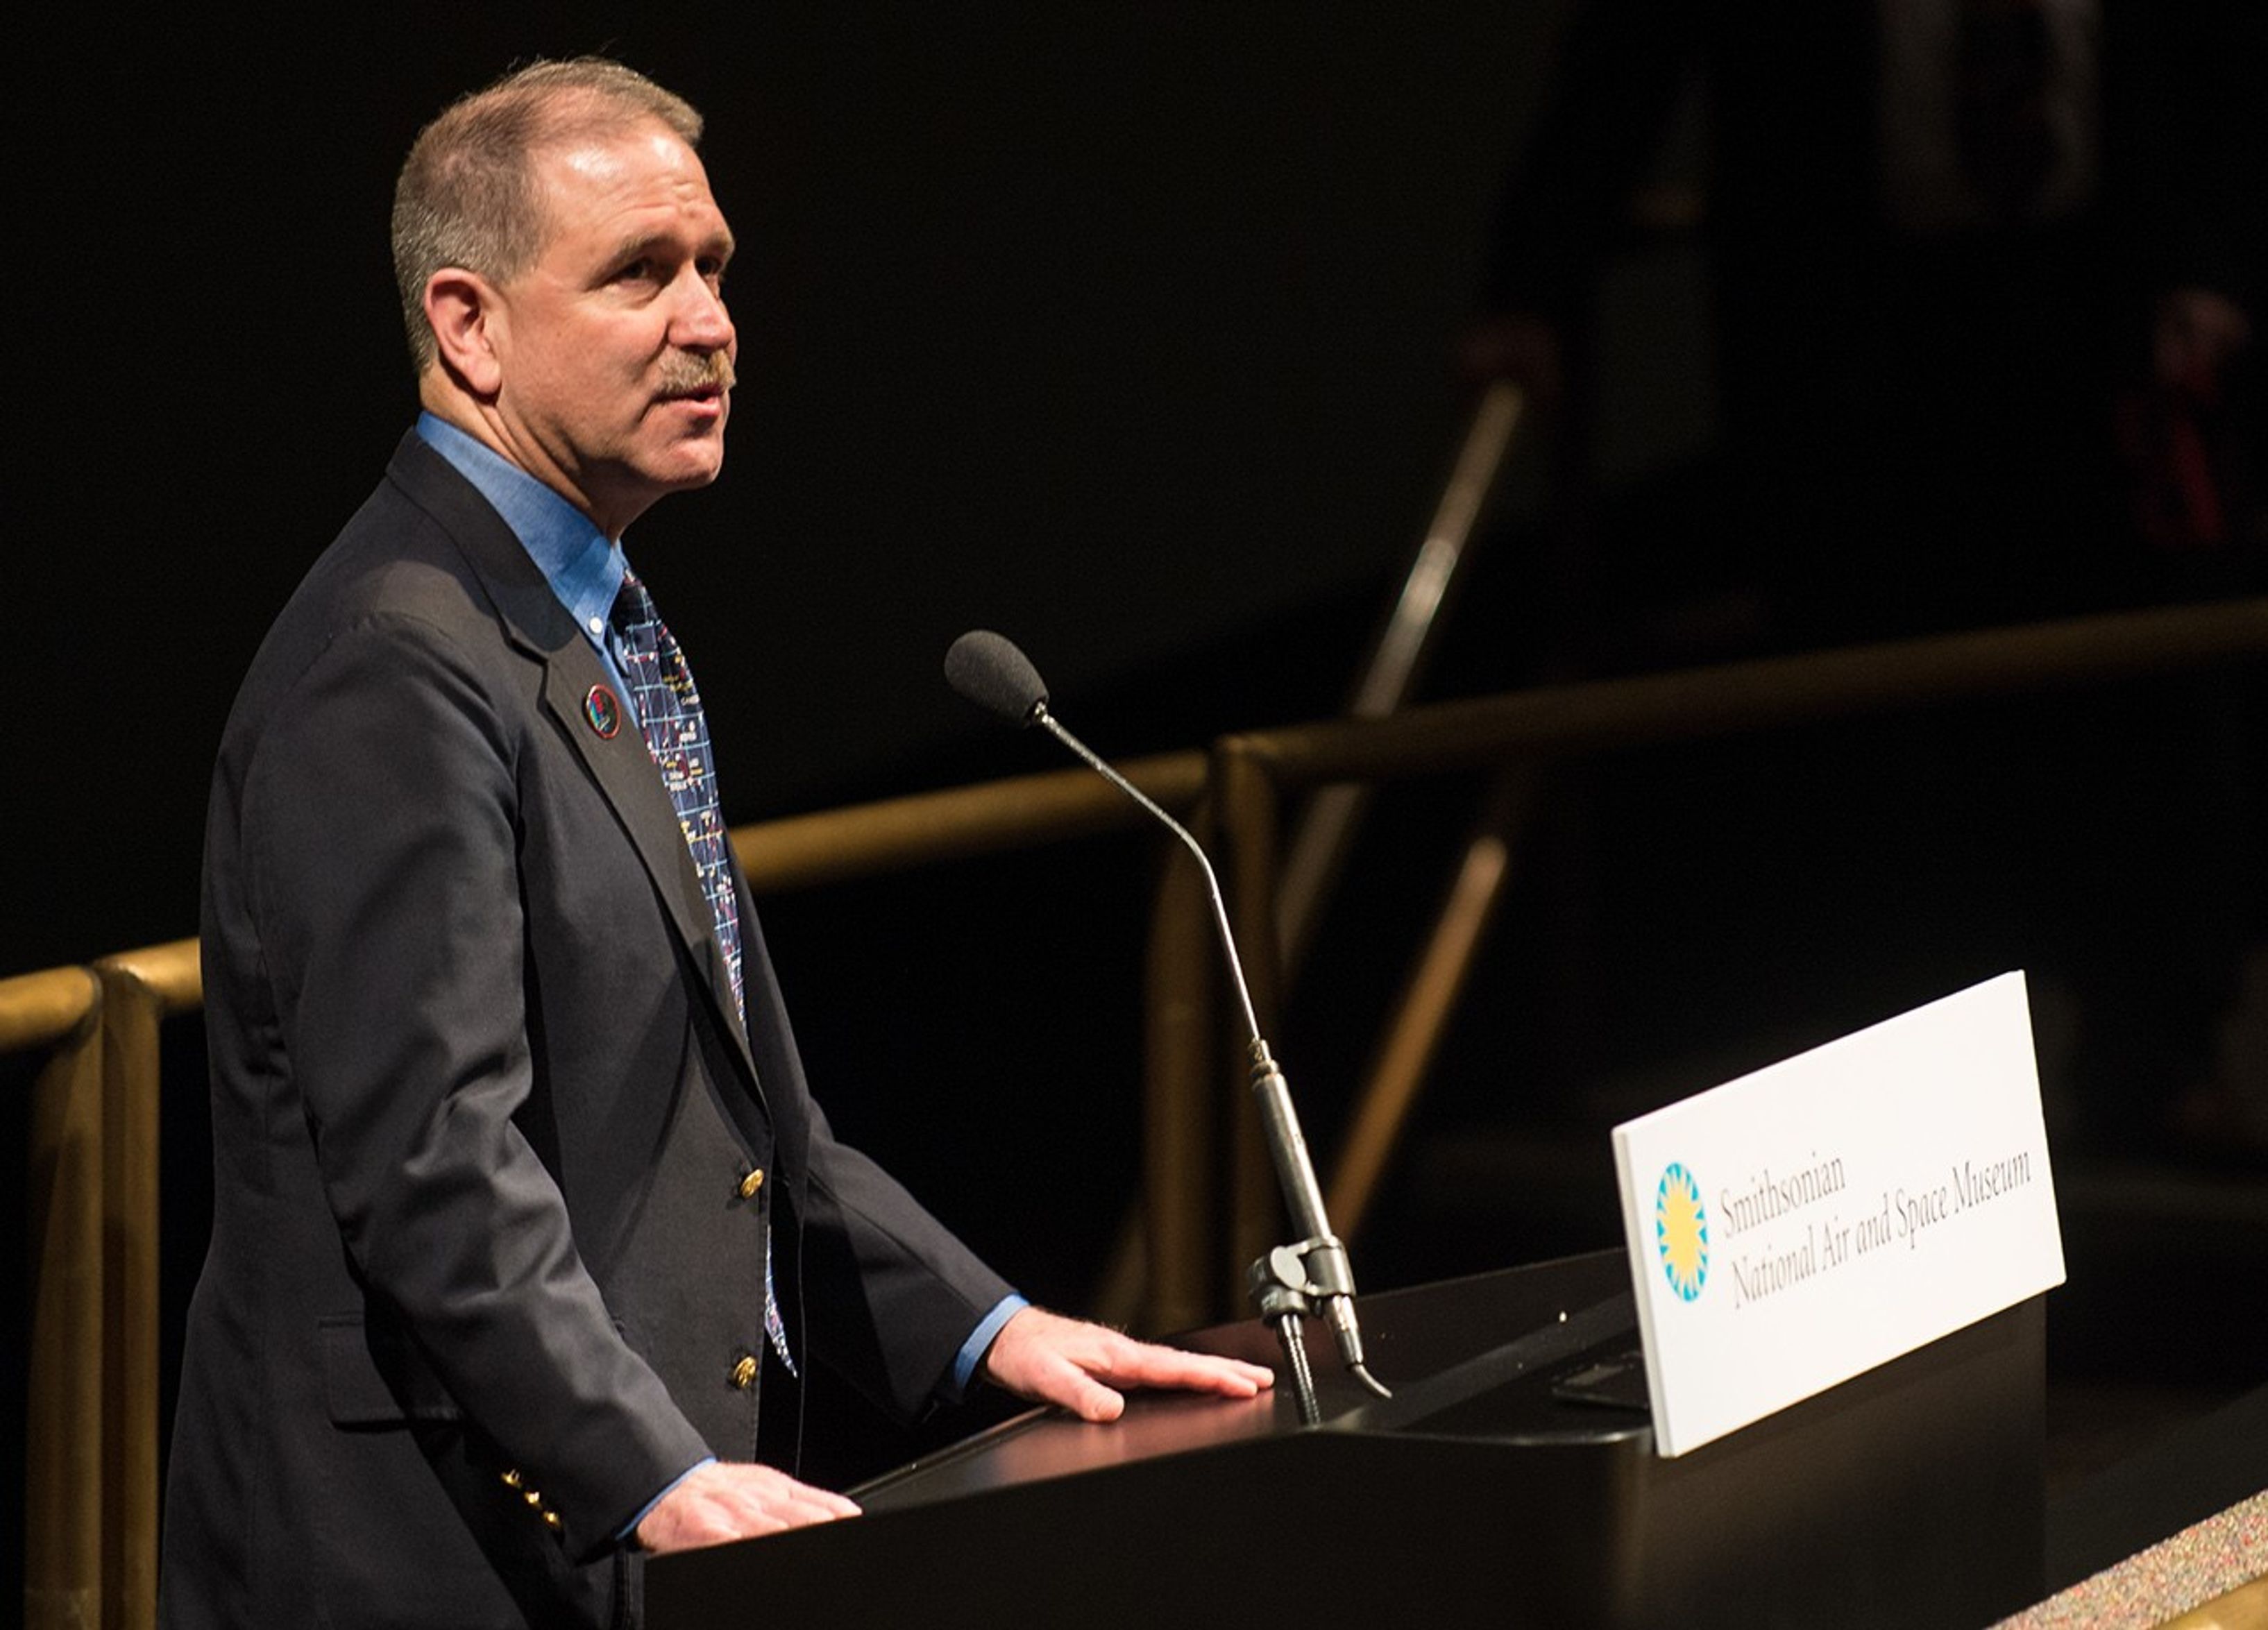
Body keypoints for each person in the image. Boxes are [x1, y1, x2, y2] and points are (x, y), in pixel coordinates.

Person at [158, 57, 1270, 1630]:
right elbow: (434, 1161)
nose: (710, 322)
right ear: (467, 325)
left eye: (714, 268)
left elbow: (745, 1117)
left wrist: (991, 1328)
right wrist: (650, 1472)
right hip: (413, 1556)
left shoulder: (590, 613)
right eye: (639, 274)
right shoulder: (392, 662)